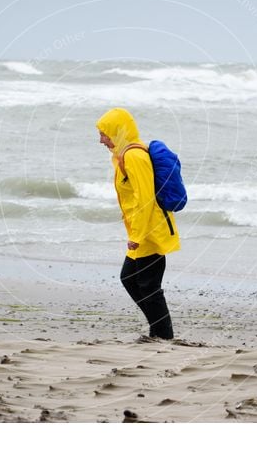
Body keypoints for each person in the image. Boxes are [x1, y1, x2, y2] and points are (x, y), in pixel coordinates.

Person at [96, 107, 180, 340]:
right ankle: (158, 331)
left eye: (104, 133)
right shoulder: (123, 155)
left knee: (148, 287)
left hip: (150, 232)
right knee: (131, 279)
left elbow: (145, 200)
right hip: (142, 231)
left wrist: (137, 236)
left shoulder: (134, 156)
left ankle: (163, 336)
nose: (101, 139)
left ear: (117, 131)